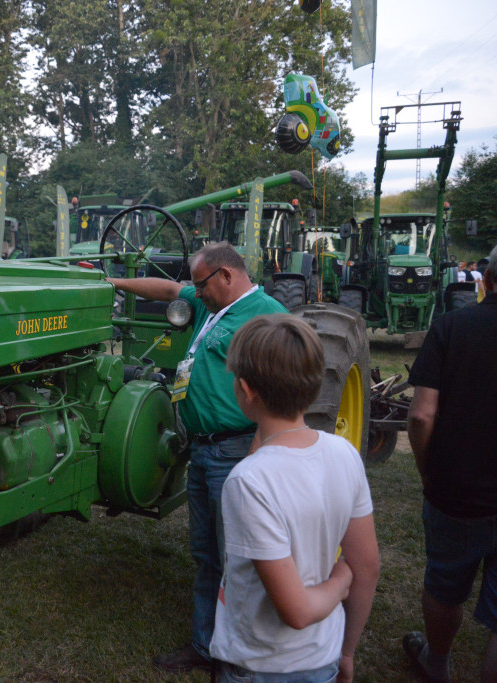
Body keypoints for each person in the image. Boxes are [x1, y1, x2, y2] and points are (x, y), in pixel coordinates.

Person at [107, 241, 288, 673]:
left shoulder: (268, 317)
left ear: (226, 275)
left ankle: (241, 659)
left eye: (202, 285)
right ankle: (206, 645)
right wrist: (112, 282)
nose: (196, 293)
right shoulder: (212, 305)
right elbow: (170, 290)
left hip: (236, 450)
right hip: (202, 447)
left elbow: (283, 395)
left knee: (239, 558)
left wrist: (258, 456)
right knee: (208, 555)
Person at [209, 315, 379, 683]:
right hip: (324, 657)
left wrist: (339, 581)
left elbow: (297, 612)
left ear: (245, 390)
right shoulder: (344, 453)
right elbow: (367, 565)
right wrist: (347, 653)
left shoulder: (248, 481)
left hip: (262, 667)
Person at [404, 245, 497, 683]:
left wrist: (428, 470)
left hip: (456, 492)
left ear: (486, 280)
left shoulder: (451, 326)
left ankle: (436, 662)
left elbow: (421, 415)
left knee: (445, 587)